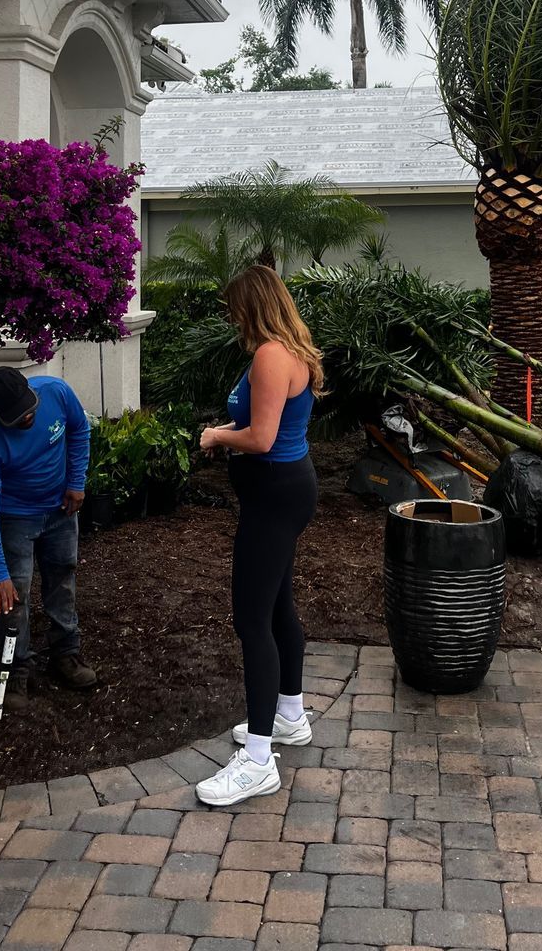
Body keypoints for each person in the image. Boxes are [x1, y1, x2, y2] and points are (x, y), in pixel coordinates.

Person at [195, 266, 322, 807]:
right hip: (284, 492)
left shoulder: (271, 354)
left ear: (253, 305)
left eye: (235, 308)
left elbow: (263, 437)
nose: (232, 318)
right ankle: (289, 716)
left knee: (252, 620)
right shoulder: (296, 348)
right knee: (276, 609)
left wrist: (215, 434)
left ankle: (257, 762)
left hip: (273, 496)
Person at [0, 366, 97, 711]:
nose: (28, 417)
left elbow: (79, 429)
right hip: (15, 519)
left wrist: (76, 482)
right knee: (14, 596)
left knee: (63, 578)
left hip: (60, 510)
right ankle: (14, 668)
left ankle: (65, 654)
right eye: (17, 416)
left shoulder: (56, 392)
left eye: (30, 409)